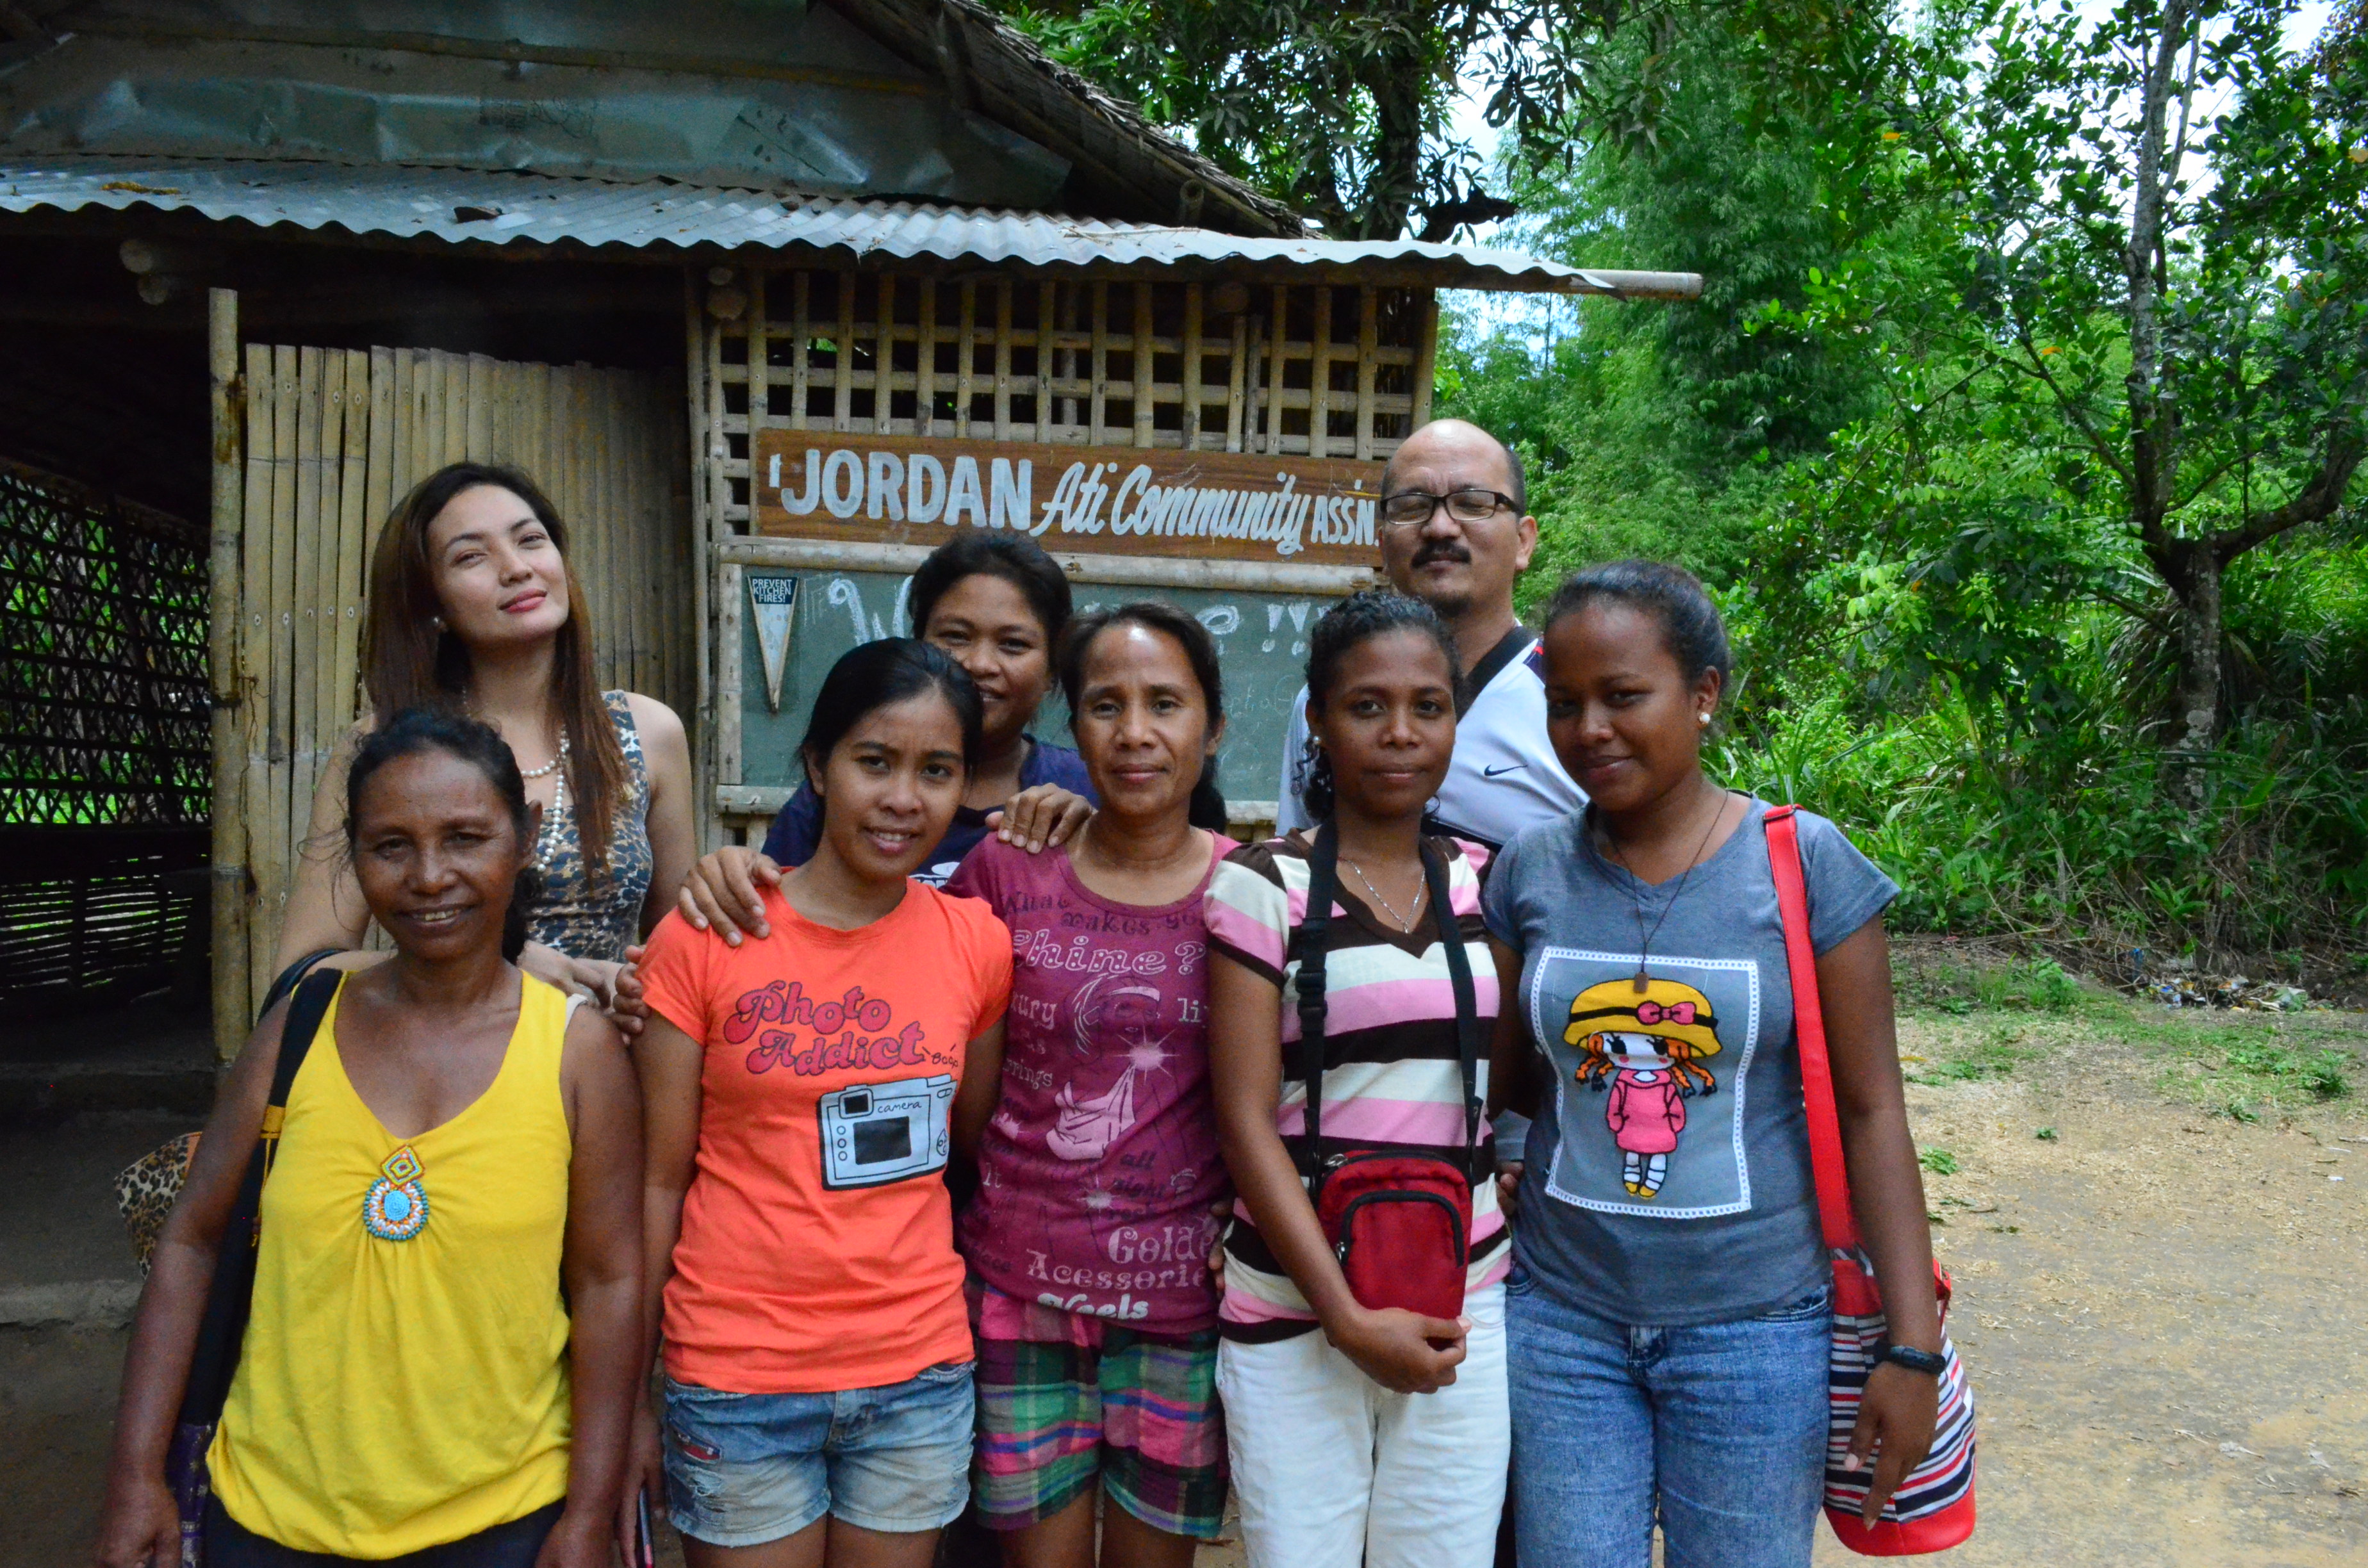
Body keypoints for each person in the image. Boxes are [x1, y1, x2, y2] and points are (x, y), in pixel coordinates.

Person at [95, 708, 645, 1568]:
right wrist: (136, 1476)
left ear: (526, 835)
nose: (430, 876)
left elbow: (610, 1284)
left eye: (466, 838)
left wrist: (589, 1512)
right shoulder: (299, 1026)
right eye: (392, 846)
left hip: (504, 1523)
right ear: (353, 855)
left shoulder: (578, 1053)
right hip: (268, 1517)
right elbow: (192, 1243)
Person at [1483, 562, 1942, 1568]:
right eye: (1565, 704)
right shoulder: (1527, 872)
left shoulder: (1804, 863)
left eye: (1624, 695)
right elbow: (1505, 1083)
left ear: (1703, 694)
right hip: (1562, 1326)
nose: (1590, 729)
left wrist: (1913, 1346)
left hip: (1758, 1333)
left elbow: (1872, 1110)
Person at [628, 638, 1015, 1567]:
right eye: (873, 762)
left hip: (916, 1371)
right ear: (816, 766)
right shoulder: (707, 936)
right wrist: (633, 1395)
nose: (902, 799)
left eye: (936, 771)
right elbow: (657, 1182)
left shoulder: (978, 944)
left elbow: (967, 1142)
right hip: (737, 1373)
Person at [1203, 590, 1509, 1568]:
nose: (1400, 733)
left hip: (1463, 1290)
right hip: (1296, 1303)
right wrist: (1343, 1316)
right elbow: (1243, 1121)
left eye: (1429, 706)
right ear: (1319, 723)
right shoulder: (1264, 884)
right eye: (1367, 706)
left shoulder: (1489, 881)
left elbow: (1510, 1080)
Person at [945, 603, 1237, 1568]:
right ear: (1072, 730)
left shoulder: (1252, 892)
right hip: (1020, 1288)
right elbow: (962, 1087)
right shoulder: (1006, 872)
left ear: (1214, 727)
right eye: (1107, 706)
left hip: (1183, 1304)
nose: (1136, 732)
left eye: (1166, 704)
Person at [273, 462, 696, 1009]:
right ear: (432, 604)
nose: (516, 568)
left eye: (531, 541)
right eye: (471, 556)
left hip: (612, 1049)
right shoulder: (383, 749)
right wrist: (497, 963)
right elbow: (302, 972)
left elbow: (683, 953)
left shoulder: (646, 732)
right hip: (446, 1049)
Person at [677, 534, 1097, 942]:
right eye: (956, 637)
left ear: (1052, 670)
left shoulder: (1083, 794)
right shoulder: (838, 801)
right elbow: (771, 913)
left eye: (1013, 644)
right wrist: (729, 879)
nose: (980, 663)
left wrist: (1101, 832)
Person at [1274, 419, 1581, 854]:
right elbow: (1296, 868)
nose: (1440, 528)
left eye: (1472, 503)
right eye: (1412, 506)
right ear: (1382, 544)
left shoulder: (1571, 702)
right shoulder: (1325, 699)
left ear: (1523, 541)